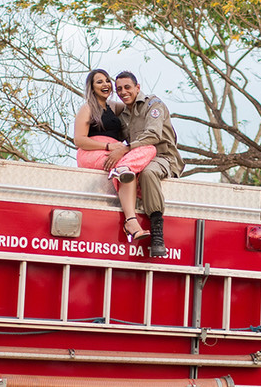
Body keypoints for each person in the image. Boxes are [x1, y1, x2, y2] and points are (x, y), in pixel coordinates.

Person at [73, 68, 157, 244]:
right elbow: (79, 140)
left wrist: (154, 105)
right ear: (92, 87)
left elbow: (132, 102)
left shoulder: (114, 107)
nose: (105, 84)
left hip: (116, 154)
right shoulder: (87, 108)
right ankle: (131, 221)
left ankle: (123, 170)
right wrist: (108, 146)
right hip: (92, 152)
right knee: (126, 170)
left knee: (149, 149)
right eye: (99, 81)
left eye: (107, 81)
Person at [114, 71, 183, 257]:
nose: (123, 92)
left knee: (148, 173)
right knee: (124, 172)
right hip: (138, 159)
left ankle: (158, 233)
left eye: (127, 87)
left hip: (162, 158)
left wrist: (127, 148)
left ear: (137, 87)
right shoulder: (123, 116)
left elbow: (154, 135)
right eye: (118, 89)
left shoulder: (154, 105)